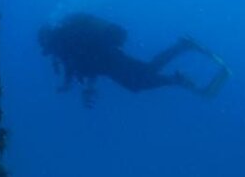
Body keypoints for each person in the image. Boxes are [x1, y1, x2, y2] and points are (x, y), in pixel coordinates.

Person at [38, 12, 230, 107]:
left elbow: (81, 64)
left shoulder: (64, 46)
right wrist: (86, 87)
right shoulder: (66, 45)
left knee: (141, 79)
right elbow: (86, 64)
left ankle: (181, 57)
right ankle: (180, 62)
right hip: (109, 61)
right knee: (143, 76)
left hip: (110, 61)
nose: (47, 50)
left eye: (45, 45)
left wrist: (72, 85)